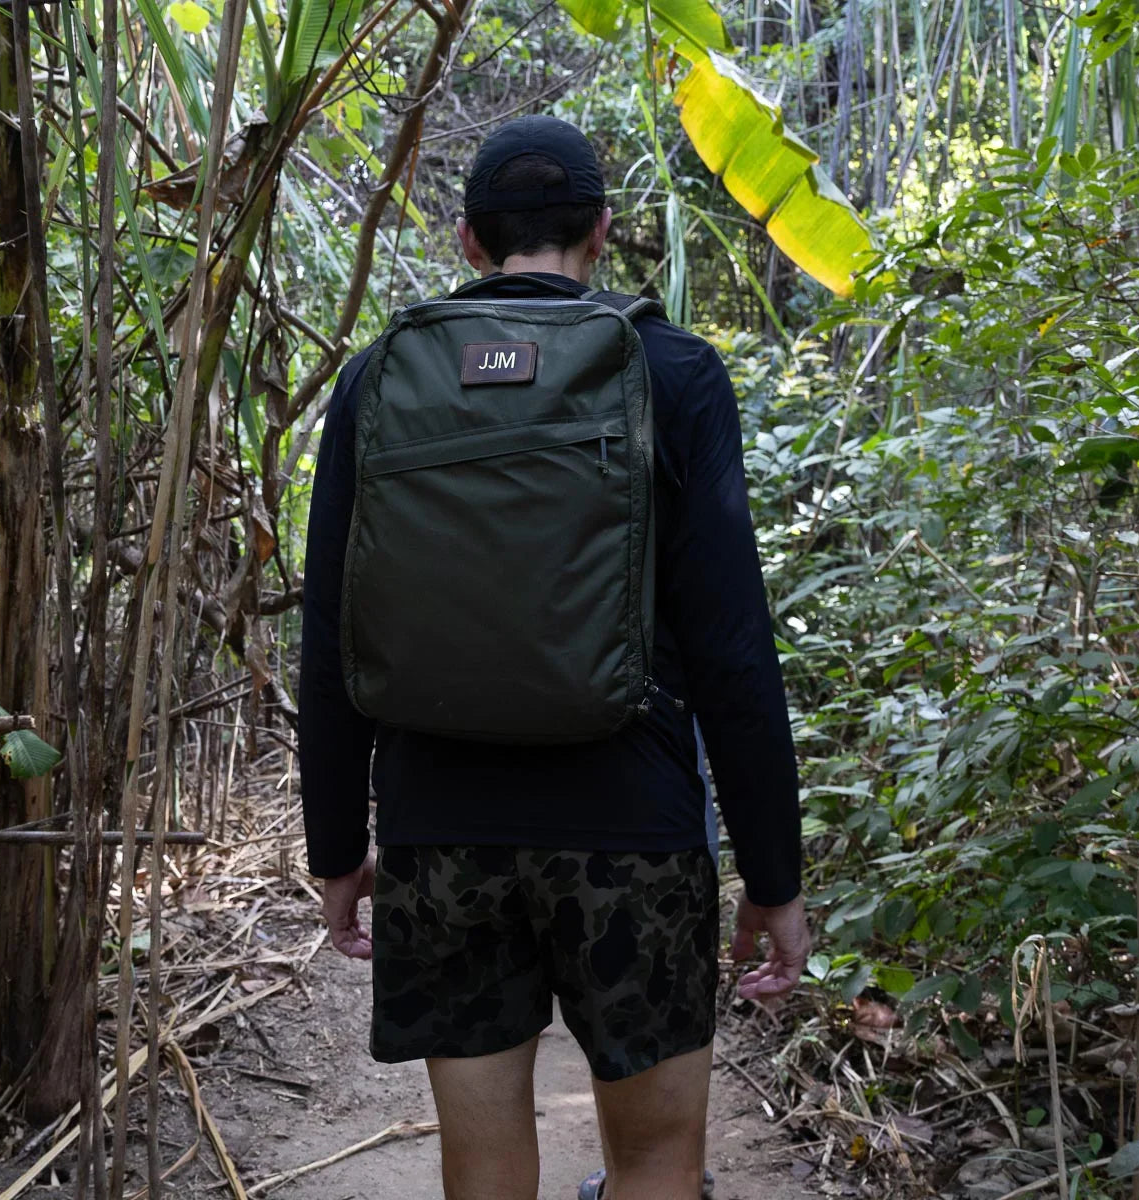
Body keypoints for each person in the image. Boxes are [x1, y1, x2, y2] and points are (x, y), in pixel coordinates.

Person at [298, 115, 809, 1200]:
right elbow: (731, 652)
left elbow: (331, 636)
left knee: (483, 1167)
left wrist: (339, 847)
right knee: (658, 1160)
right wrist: (774, 872)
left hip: (441, 829)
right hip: (633, 823)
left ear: (470, 242)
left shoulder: (376, 379)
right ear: (604, 232)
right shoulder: (673, 371)